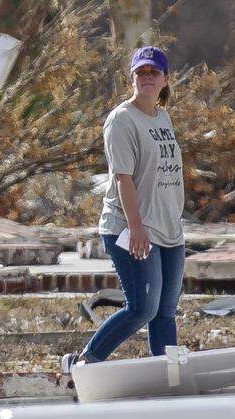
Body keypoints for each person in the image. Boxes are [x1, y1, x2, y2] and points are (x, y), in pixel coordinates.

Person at [62, 45, 185, 372]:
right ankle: (85, 363)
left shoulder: (163, 117)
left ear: (165, 79)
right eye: (140, 72)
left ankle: (167, 376)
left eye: (153, 72)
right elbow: (122, 178)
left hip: (169, 230)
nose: (147, 77)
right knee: (142, 308)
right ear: (132, 77)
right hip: (131, 227)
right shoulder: (121, 119)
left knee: (165, 311)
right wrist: (136, 228)